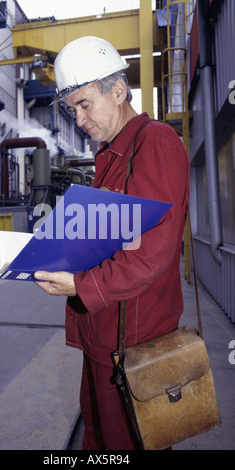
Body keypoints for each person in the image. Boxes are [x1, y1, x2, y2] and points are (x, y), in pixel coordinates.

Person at [34, 36, 189, 450]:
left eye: (85, 105)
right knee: (101, 439)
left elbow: (152, 253)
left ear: (118, 91)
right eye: (73, 110)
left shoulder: (153, 143)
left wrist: (82, 286)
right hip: (106, 336)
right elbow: (111, 237)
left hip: (135, 344)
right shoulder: (113, 153)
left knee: (129, 442)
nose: (80, 120)